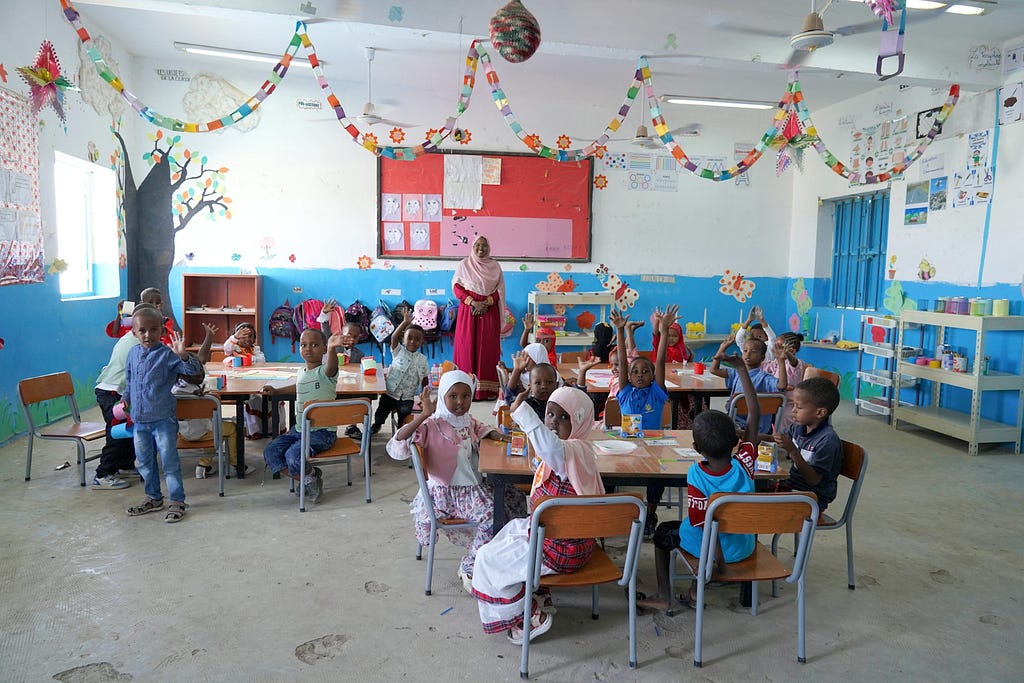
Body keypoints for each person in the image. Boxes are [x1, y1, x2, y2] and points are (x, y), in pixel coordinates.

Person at [472, 386, 605, 645]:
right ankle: (535, 593)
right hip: (571, 542)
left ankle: (528, 617)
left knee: (487, 559)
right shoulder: (581, 451)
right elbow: (548, 451)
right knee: (506, 533)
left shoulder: (570, 452)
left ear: (580, 423)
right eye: (550, 414)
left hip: (560, 550)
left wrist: (523, 413)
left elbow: (551, 449)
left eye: (564, 417)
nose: (554, 422)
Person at [637, 354, 761, 613]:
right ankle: (693, 591)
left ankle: (664, 596)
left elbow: (705, 525)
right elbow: (754, 416)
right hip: (743, 546)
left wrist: (720, 564)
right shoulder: (746, 463)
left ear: (695, 448)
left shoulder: (696, 475)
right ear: (735, 441)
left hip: (714, 555)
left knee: (663, 533)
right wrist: (741, 369)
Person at [386, 371, 526, 591]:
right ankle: (470, 566)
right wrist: (423, 415)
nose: (460, 402)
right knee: (493, 516)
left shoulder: (465, 419)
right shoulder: (432, 424)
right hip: (449, 493)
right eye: (453, 396)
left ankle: (502, 554)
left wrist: (492, 434)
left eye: (466, 395)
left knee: (516, 496)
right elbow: (399, 443)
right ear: (442, 396)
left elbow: (477, 426)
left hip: (471, 486)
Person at [123, 307, 202, 523]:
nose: (148, 335)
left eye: (154, 330)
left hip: (162, 419)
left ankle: (177, 500)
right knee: (144, 462)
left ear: (162, 331)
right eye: (143, 331)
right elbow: (129, 380)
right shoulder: (132, 354)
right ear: (134, 333)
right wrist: (126, 397)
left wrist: (184, 355)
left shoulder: (167, 355)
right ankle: (154, 497)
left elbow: (193, 373)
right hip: (139, 420)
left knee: (169, 461)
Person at [262, 328, 346, 504]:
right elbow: (298, 387)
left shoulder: (326, 372)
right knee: (271, 452)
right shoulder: (302, 372)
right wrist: (277, 391)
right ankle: (310, 476)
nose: (308, 349)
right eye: (303, 345)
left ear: (323, 349)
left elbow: (331, 367)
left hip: (322, 433)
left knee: (293, 456)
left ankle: (307, 476)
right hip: (299, 429)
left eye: (315, 345)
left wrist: (332, 348)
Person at [612, 306, 675, 537]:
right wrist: (620, 331)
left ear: (652, 377)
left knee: (656, 476)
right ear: (628, 376)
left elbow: (660, 361)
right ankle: (616, 512)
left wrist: (665, 331)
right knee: (609, 473)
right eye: (635, 371)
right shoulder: (625, 391)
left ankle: (650, 512)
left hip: (653, 448)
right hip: (626, 446)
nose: (640, 374)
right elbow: (623, 360)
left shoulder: (656, 394)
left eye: (645, 372)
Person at [91, 303, 167, 490]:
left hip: (117, 389)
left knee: (128, 429)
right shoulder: (139, 344)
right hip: (113, 392)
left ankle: (124, 465)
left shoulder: (135, 337)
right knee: (117, 432)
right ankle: (104, 473)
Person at [171, 323, 253, 478]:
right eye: (201, 371)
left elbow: (201, 358)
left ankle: (203, 466)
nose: (203, 373)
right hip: (204, 432)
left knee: (215, 427)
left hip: (181, 433)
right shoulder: (205, 393)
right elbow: (200, 361)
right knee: (231, 428)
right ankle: (237, 465)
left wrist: (209, 336)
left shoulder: (176, 389)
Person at [768, 376, 843, 516]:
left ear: (820, 412)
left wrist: (792, 450)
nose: (793, 411)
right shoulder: (799, 427)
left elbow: (814, 480)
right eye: (794, 405)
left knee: (752, 506)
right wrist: (744, 434)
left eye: (799, 407)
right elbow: (775, 438)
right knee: (749, 490)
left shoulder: (827, 441)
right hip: (792, 488)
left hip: (811, 499)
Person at [452, 235, 505, 400]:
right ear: (472, 247)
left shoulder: (495, 266)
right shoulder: (464, 265)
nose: (481, 249)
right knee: (466, 347)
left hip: (489, 313)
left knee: (487, 349)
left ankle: (486, 391)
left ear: (489, 248)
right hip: (468, 312)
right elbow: (457, 287)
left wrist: (486, 303)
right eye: (477, 246)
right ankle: (464, 389)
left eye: (484, 246)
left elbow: (500, 291)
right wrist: (473, 302)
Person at [709, 334, 782, 434]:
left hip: (752, 425)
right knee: (709, 420)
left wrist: (781, 361)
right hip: (734, 421)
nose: (748, 354)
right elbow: (713, 370)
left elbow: (781, 386)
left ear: (762, 357)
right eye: (745, 351)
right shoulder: (736, 372)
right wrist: (722, 347)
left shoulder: (764, 378)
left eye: (754, 352)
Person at [372, 308, 429, 434]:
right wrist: (404, 322)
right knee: (381, 412)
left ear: (422, 342)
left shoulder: (423, 360)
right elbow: (393, 337)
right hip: (390, 392)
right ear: (404, 339)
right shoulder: (398, 351)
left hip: (407, 396)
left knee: (404, 414)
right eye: (410, 338)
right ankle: (377, 424)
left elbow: (425, 379)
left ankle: (401, 433)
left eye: (417, 339)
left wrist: (425, 398)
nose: (413, 341)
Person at [763, 332, 806, 430]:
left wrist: (786, 354)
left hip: (787, 404)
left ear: (792, 351)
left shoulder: (795, 364)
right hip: (774, 401)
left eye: (780, 347)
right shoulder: (774, 363)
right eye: (776, 346)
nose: (777, 349)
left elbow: (794, 362)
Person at [502, 352, 559, 420]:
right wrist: (517, 370)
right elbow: (510, 398)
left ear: (557, 385)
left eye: (549, 382)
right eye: (538, 383)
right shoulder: (527, 404)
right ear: (530, 387)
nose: (544, 386)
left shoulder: (560, 404)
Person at [105, 288, 174, 342]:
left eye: (157, 303)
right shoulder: (135, 321)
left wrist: (158, 314)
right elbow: (115, 333)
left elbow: (165, 335)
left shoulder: (166, 321)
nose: (154, 305)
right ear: (142, 303)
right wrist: (120, 312)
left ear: (161, 305)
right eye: (150, 302)